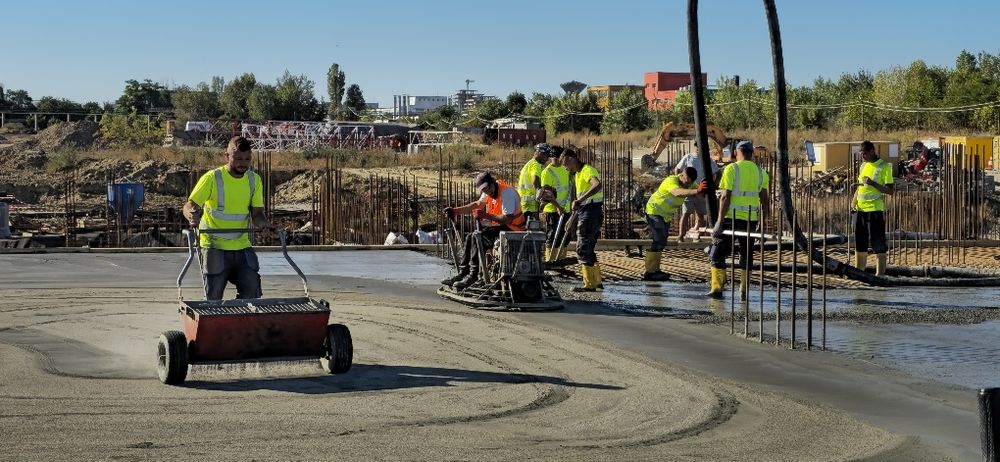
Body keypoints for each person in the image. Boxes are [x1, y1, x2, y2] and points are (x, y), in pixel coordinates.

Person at [183, 136, 273, 300]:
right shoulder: (213, 178)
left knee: (252, 289)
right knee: (214, 295)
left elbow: (257, 214)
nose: (243, 163)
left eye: (247, 159)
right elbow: (190, 205)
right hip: (214, 245)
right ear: (227, 156)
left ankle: (241, 322)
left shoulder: (254, 180)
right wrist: (192, 215)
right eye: (238, 158)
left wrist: (264, 225)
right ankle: (215, 323)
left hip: (241, 245)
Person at [440, 172, 525, 290]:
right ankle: (463, 273)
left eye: (487, 189)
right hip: (501, 226)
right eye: (483, 191)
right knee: (470, 237)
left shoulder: (507, 193)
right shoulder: (489, 190)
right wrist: (456, 211)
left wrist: (486, 215)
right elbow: (478, 204)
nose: (486, 192)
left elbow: (507, 219)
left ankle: (473, 276)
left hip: (513, 229)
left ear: (492, 183)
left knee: (478, 237)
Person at [707, 140, 770, 299]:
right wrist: (764, 223)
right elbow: (765, 200)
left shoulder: (731, 169)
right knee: (746, 254)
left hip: (730, 219)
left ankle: (717, 288)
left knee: (717, 253)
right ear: (751, 153)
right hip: (751, 220)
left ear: (736, 152)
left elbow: (725, 197)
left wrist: (719, 221)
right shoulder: (761, 172)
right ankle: (743, 290)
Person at [644, 166, 707, 281]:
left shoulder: (690, 184)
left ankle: (655, 269)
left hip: (665, 216)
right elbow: (677, 192)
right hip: (654, 211)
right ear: (682, 176)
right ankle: (650, 272)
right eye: (687, 182)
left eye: (691, 183)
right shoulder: (671, 181)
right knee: (658, 239)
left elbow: (699, 195)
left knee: (662, 241)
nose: (688, 185)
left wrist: (705, 191)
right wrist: (696, 191)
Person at [562, 149, 604, 292]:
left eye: (565, 163)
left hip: (591, 212)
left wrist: (580, 199)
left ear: (571, 158)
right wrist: (571, 218)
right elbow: (580, 203)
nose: (565, 167)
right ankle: (597, 281)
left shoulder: (587, 170)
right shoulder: (578, 174)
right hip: (588, 211)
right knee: (589, 247)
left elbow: (597, 185)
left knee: (583, 247)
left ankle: (589, 284)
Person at [852, 140, 894, 276]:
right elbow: (860, 187)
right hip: (860, 210)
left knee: (878, 241)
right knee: (860, 240)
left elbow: (890, 190)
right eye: (861, 154)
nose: (863, 157)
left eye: (865, 154)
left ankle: (880, 274)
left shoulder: (885, 166)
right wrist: (853, 202)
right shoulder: (863, 165)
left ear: (872, 151)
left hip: (875, 210)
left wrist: (873, 183)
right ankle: (860, 271)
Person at [674, 141, 721, 242]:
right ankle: (680, 236)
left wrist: (713, 185)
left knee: (701, 216)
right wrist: (680, 183)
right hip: (689, 190)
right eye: (698, 147)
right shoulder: (688, 157)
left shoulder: (707, 159)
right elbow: (677, 169)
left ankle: (695, 235)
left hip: (701, 191)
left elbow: (717, 172)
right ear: (695, 147)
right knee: (686, 213)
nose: (700, 150)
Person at [539, 145, 570, 261]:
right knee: (552, 236)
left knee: (564, 236)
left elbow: (568, 188)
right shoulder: (547, 172)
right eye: (555, 158)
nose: (557, 161)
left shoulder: (564, 169)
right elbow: (547, 194)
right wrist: (557, 207)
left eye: (559, 158)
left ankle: (561, 259)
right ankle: (550, 259)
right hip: (552, 210)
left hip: (565, 208)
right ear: (551, 157)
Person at [517, 143, 552, 224]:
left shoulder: (529, 164)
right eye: (546, 156)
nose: (547, 159)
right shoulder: (535, 165)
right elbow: (535, 179)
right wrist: (540, 193)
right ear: (540, 153)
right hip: (531, 206)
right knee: (533, 232)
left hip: (524, 205)